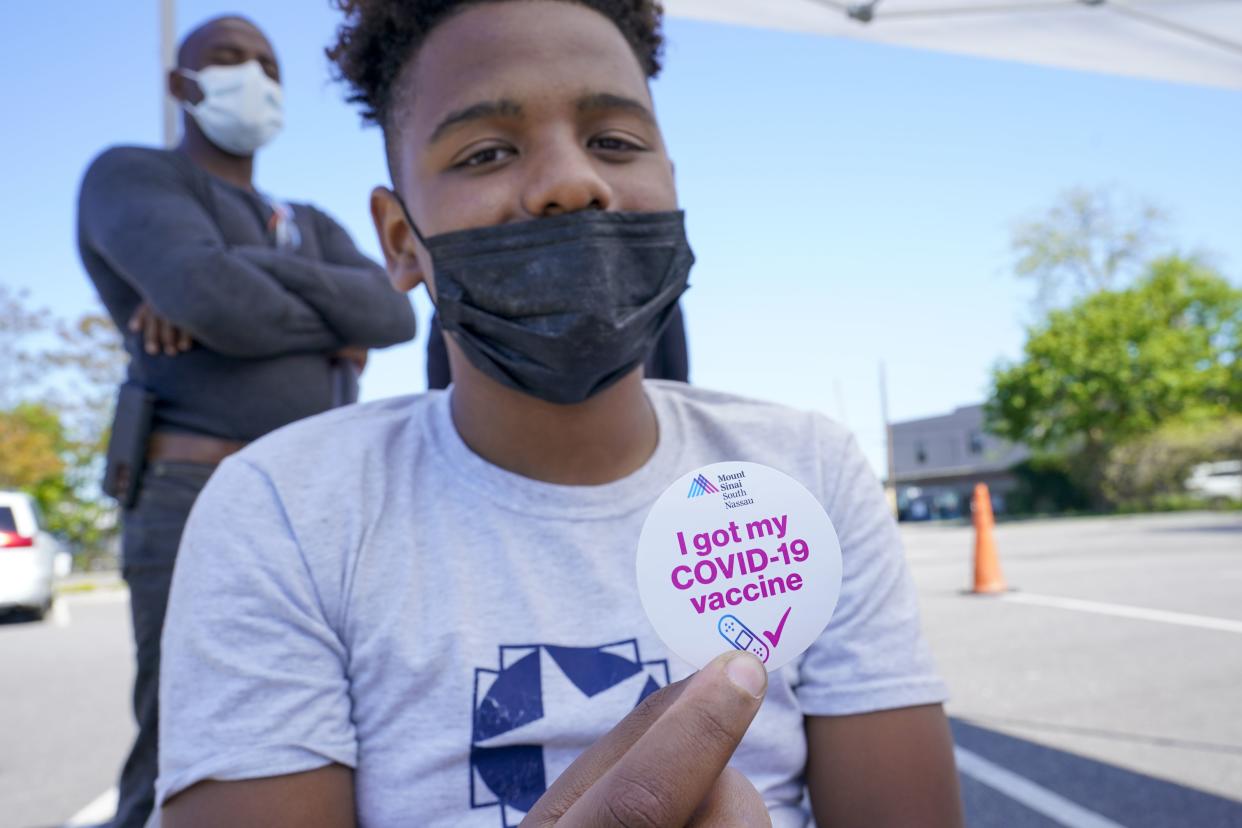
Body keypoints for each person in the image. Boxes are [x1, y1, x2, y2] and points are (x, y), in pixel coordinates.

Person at [155, 2, 963, 826]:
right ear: (400, 240)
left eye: (615, 141)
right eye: (487, 152)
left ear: (673, 184)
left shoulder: (809, 470)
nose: (572, 182)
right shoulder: (284, 508)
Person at [76, 15, 416, 828]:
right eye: (229, 59)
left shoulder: (305, 217)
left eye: (269, 63)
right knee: (185, 744)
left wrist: (241, 279)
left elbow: (393, 312)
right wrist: (329, 322)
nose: (254, 75)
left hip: (327, 493)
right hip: (192, 487)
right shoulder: (132, 177)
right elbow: (210, 300)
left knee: (341, 733)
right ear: (180, 85)